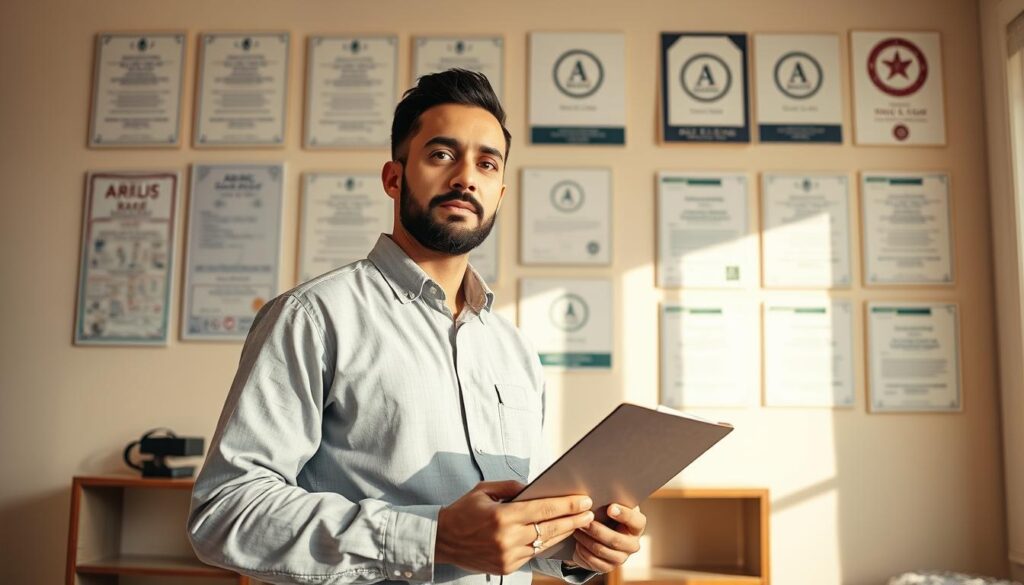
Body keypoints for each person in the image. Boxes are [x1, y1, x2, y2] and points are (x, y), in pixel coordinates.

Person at [187, 68, 645, 585]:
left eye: (486, 164)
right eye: (441, 155)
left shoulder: (514, 348)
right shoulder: (313, 317)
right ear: (394, 177)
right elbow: (224, 513)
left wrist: (573, 548)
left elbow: (519, 526)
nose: (465, 177)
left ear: (499, 193)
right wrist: (432, 536)